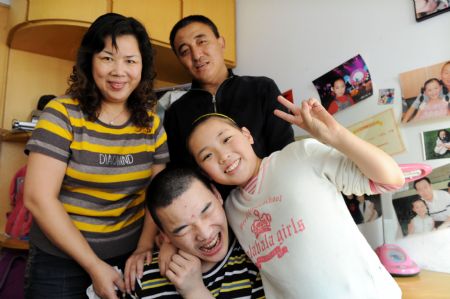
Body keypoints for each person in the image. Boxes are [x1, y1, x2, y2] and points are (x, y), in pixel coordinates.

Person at [186, 96, 405, 298]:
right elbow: (189, 228)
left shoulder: (299, 155)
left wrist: (335, 135)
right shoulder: (230, 210)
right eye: (207, 155)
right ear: (206, 173)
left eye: (226, 139)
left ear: (247, 135)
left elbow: (391, 179)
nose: (223, 156)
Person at [23, 13, 169, 299]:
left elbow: (158, 193)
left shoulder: (152, 124)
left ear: (143, 67)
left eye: (130, 61)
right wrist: (93, 265)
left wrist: (144, 246)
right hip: (59, 262)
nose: (119, 71)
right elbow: (38, 198)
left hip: (128, 259)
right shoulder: (61, 114)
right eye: (107, 58)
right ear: (90, 61)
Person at [163, 15, 294, 171]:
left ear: (221, 43)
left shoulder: (262, 88)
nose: (197, 55)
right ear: (180, 60)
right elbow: (181, 174)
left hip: (271, 190)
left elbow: (284, 151)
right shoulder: (176, 112)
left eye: (202, 42)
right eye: (185, 51)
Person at [134, 167, 264, 298]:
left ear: (217, 195)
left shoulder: (258, 259)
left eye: (206, 211)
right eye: (183, 228)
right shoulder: (140, 277)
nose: (205, 234)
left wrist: (195, 292)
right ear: (165, 235)